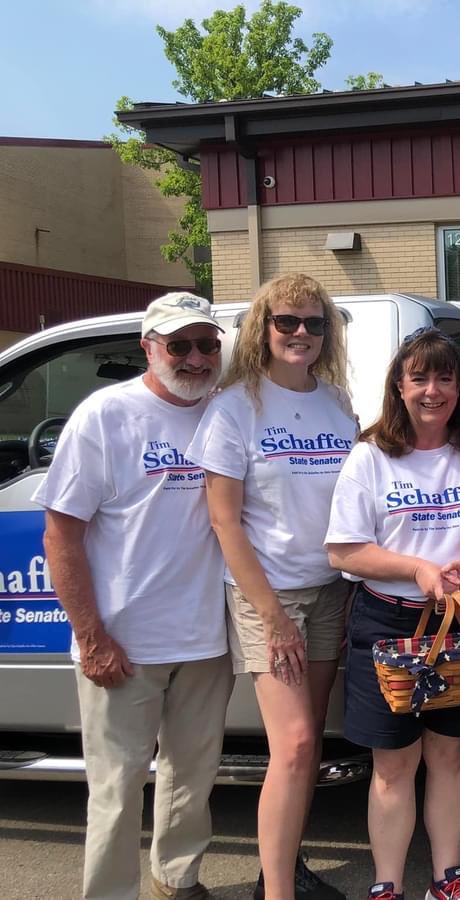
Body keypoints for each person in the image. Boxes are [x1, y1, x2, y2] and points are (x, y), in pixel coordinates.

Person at [35, 292, 233, 900]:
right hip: (123, 644)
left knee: (190, 780)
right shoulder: (105, 415)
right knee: (117, 789)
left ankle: (178, 879)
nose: (196, 358)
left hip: (207, 639)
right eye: (179, 345)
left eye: (206, 344)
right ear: (149, 348)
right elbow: (60, 534)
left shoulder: (230, 413)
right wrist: (92, 637)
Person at [326, 327, 460, 900]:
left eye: (445, 378)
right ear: (399, 387)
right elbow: (344, 550)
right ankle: (387, 885)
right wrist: (418, 570)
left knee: (450, 756)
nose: (433, 390)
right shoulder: (370, 457)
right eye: (420, 378)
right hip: (390, 625)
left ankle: (448, 878)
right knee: (393, 763)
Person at [187, 273, 357, 900]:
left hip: (331, 589)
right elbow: (223, 520)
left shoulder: (338, 403)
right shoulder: (235, 406)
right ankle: (279, 893)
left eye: (315, 323)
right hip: (270, 596)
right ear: (263, 327)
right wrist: (273, 616)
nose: (302, 334)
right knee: (295, 744)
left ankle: (281, 870)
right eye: (288, 322)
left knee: (309, 744)